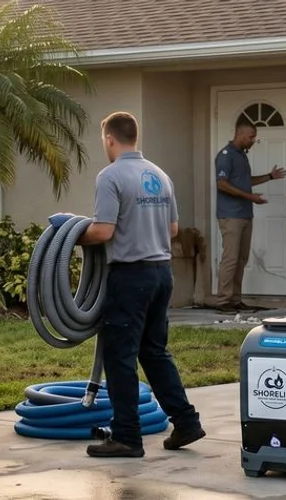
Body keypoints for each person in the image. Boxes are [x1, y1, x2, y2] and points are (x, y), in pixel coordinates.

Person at [67, 111, 205, 458]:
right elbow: (173, 229)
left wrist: (69, 236)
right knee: (154, 352)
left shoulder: (110, 176)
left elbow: (103, 231)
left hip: (130, 276)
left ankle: (127, 436)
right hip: (161, 273)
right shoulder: (159, 174)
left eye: (104, 140)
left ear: (110, 139)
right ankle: (186, 422)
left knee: (120, 357)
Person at [212, 122, 286, 313]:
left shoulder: (241, 155)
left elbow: (245, 181)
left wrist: (270, 176)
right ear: (240, 133)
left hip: (245, 214)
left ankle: (236, 299)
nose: (254, 140)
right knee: (230, 258)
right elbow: (222, 184)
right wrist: (250, 197)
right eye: (251, 136)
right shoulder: (225, 155)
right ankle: (223, 300)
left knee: (241, 258)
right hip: (231, 216)